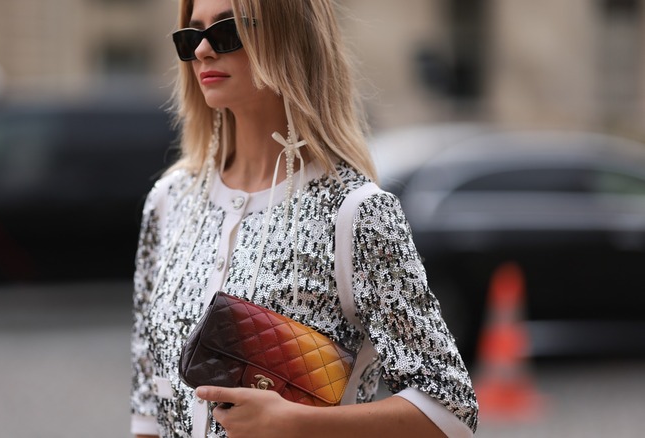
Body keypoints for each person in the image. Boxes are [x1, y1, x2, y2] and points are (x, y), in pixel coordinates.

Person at [131, 0, 479, 437]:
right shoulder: (169, 202)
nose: (202, 50)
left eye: (226, 31)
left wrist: (298, 424)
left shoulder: (354, 212)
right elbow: (147, 401)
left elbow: (451, 411)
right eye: (190, 36)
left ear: (291, 37)